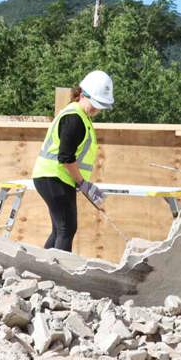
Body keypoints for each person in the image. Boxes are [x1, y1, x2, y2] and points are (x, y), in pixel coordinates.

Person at [31, 70, 115, 252]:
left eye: (100, 106)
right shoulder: (74, 118)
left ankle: (43, 270)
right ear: (82, 94)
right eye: (94, 103)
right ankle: (57, 274)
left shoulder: (79, 116)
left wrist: (81, 183)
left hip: (55, 178)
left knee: (60, 229)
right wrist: (83, 183)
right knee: (66, 228)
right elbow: (65, 157)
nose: (96, 109)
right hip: (54, 177)